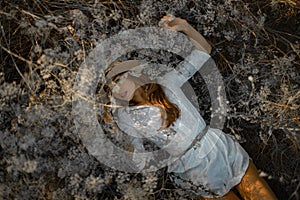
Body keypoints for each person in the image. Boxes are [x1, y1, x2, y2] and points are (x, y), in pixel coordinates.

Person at [101, 14, 277, 200]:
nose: (118, 90)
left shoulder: (167, 82)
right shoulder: (125, 117)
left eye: (118, 80)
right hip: (191, 170)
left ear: (131, 74)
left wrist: (185, 26)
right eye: (111, 89)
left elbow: (203, 52)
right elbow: (135, 154)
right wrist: (110, 122)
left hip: (216, 147)